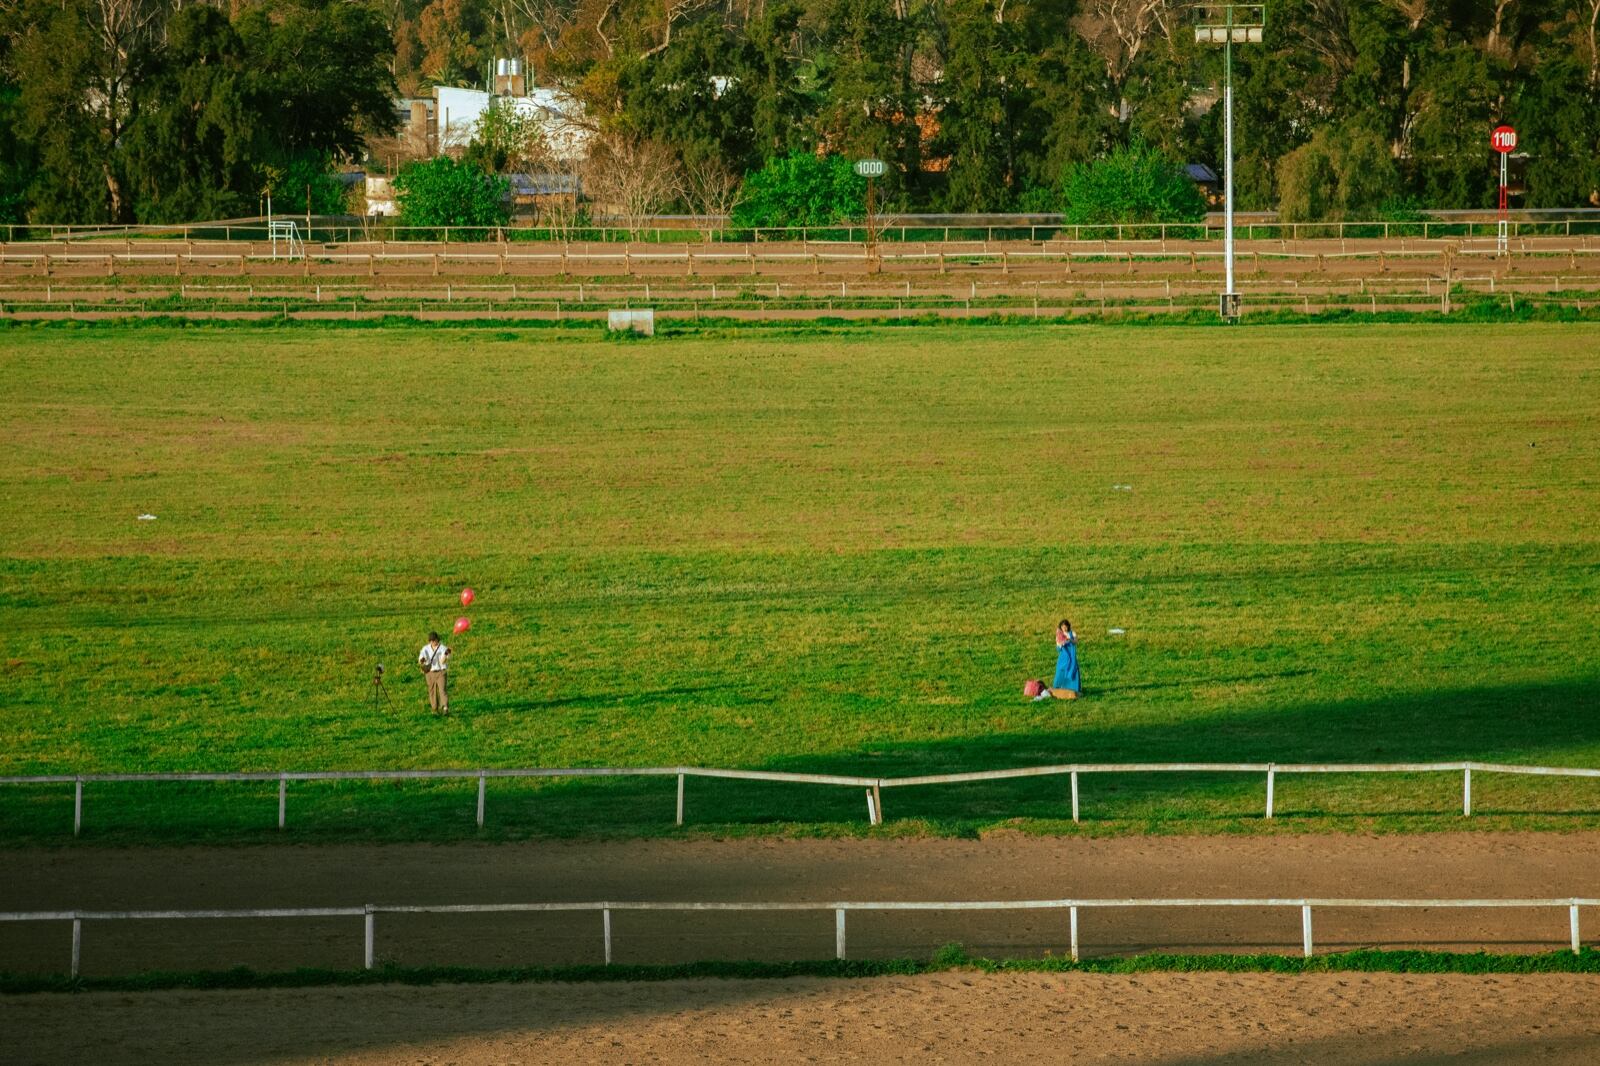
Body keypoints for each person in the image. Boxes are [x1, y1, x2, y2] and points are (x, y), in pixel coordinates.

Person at [1032, 619, 1080, 701]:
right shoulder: (1059, 635)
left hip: (1071, 656)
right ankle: (1058, 687)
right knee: (1060, 670)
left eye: (1065, 626)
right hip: (1063, 657)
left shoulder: (1072, 633)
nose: (1064, 628)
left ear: (1068, 626)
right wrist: (1062, 643)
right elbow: (1058, 646)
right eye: (1062, 627)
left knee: (1073, 670)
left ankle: (1073, 689)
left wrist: (1069, 640)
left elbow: (1076, 641)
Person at [418, 631, 451, 715]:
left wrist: (447, 654)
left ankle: (445, 707)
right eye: (431, 640)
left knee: (442, 690)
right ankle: (434, 709)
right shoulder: (425, 648)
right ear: (429, 641)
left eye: (434, 640)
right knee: (432, 690)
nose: (433, 642)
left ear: (437, 639)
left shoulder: (443, 648)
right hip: (430, 673)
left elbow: (443, 661)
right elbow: (421, 658)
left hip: (441, 672)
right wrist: (422, 660)